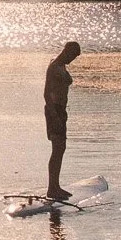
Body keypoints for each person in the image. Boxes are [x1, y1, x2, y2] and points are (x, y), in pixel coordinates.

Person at [43, 40, 81, 202]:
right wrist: (55, 117)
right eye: (72, 55)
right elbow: (46, 94)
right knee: (57, 149)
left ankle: (55, 186)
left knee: (61, 148)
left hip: (61, 111)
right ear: (66, 51)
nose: (73, 59)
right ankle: (52, 188)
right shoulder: (54, 68)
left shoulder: (60, 65)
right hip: (55, 111)